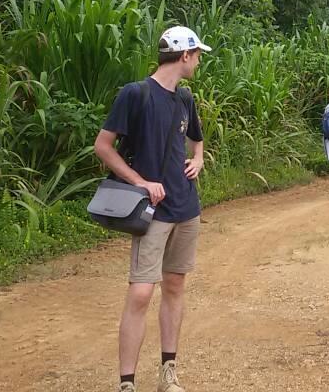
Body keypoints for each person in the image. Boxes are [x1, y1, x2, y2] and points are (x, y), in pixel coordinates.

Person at [94, 26, 211, 392]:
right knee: (141, 293)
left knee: (175, 285)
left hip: (185, 206)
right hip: (152, 210)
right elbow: (103, 146)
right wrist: (139, 181)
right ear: (184, 55)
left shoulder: (185, 98)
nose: (198, 61)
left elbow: (197, 141)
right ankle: (127, 383)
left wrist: (198, 159)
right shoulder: (136, 94)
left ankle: (168, 373)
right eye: (197, 54)